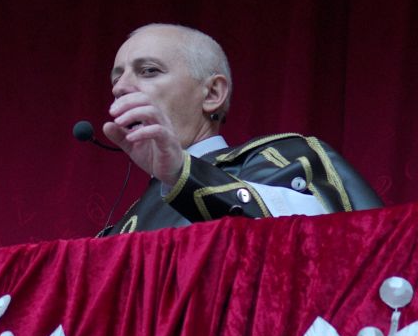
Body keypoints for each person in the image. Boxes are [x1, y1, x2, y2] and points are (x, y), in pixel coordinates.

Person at [100, 23, 380, 234]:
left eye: (149, 70)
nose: (120, 87)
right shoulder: (125, 225)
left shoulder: (286, 158)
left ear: (212, 93)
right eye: (116, 78)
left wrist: (182, 173)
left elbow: (331, 244)